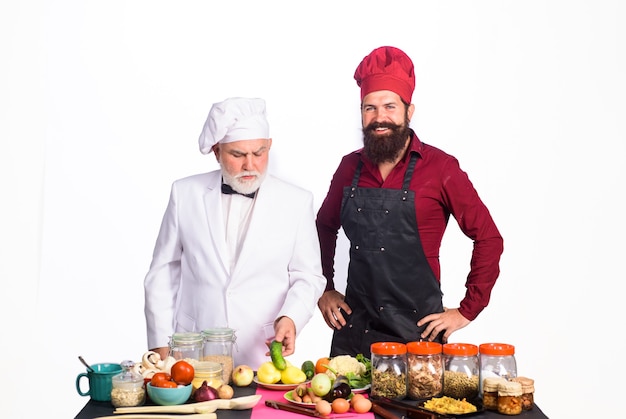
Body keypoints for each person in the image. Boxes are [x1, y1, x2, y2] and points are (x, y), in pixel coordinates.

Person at [316, 46, 504, 357]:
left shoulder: (441, 168)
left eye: (389, 106)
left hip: (419, 335)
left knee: (415, 408)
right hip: (354, 331)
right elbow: (323, 228)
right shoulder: (349, 167)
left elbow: (488, 237)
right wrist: (324, 289)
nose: (379, 118)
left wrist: (468, 310)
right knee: (347, 408)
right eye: (369, 108)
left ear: (409, 111)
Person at [144, 97, 326, 368]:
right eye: (237, 155)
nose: (250, 166)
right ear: (217, 152)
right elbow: (162, 271)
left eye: (259, 153)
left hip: (261, 353)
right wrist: (160, 346)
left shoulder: (297, 201)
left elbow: (308, 276)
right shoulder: (185, 194)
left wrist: (291, 317)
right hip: (192, 354)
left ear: (269, 146)